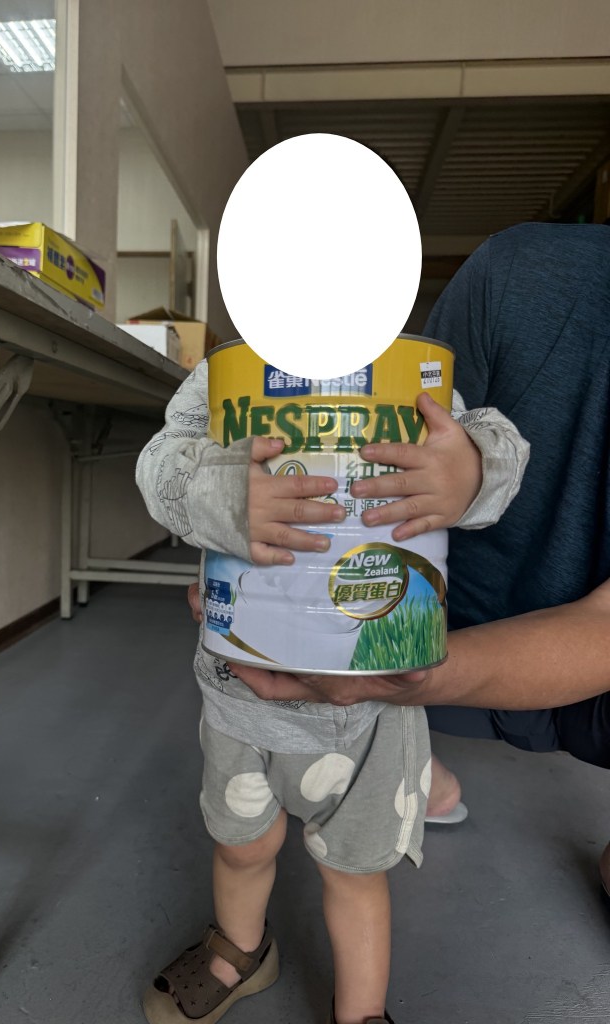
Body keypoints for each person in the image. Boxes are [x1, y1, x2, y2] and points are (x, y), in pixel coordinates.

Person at [135, 353, 528, 1024]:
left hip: (374, 705)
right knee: (241, 846)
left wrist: (471, 470)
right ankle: (243, 951)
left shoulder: (411, 373)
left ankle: (361, 1011)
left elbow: (498, 443)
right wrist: (218, 489)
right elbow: (161, 462)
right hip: (240, 691)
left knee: (355, 868)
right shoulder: (225, 373)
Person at [228, 221, 610, 894]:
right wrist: (222, 507)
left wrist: (473, 473)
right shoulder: (515, 275)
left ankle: (402, 742)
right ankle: (415, 759)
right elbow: (172, 467)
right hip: (432, 601)